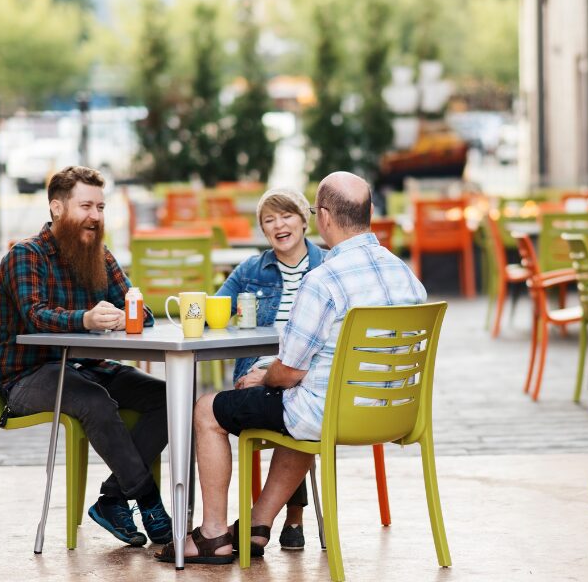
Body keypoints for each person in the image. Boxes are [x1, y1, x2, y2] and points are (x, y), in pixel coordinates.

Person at [156, 171, 427, 565]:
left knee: (208, 408)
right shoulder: (407, 276)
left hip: (328, 414)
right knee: (297, 405)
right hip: (396, 414)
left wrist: (263, 377)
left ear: (324, 217)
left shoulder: (323, 279)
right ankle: (257, 527)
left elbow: (289, 372)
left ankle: (213, 535)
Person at [0, 165, 171, 548]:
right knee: (95, 401)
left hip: (90, 368)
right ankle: (148, 500)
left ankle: (112, 499)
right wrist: (86, 320)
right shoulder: (25, 256)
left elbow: (140, 310)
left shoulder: (99, 255)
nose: (95, 216)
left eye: (101, 207)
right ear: (57, 207)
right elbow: (35, 316)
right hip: (27, 377)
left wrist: (131, 312)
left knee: (169, 400)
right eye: (86, 206)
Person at [213, 187, 326, 550]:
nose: (279, 225)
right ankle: (287, 519)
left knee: (297, 397)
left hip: (310, 371)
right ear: (262, 229)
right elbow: (218, 308)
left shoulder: (327, 266)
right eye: (269, 219)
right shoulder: (251, 268)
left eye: (287, 215)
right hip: (261, 370)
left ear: (304, 220)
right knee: (289, 399)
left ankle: (288, 517)